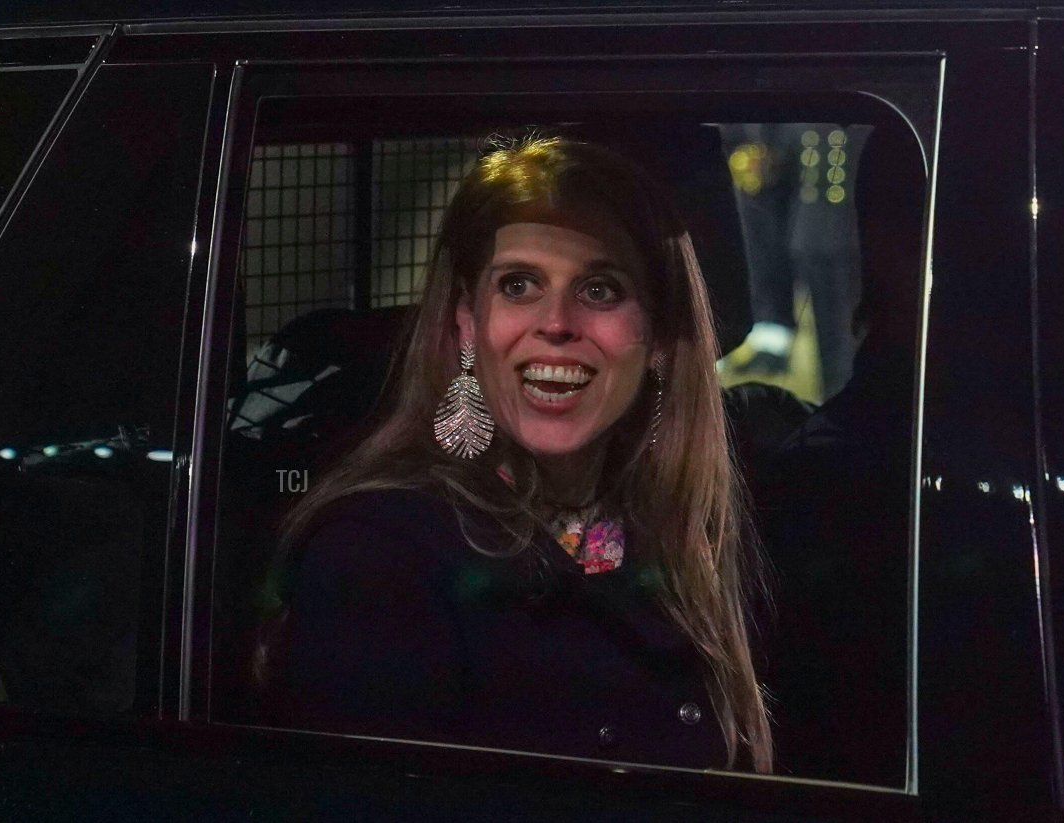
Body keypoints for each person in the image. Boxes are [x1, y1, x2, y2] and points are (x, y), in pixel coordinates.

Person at [266, 135, 774, 773]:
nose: (556, 323)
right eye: (518, 285)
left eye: (600, 290)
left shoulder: (673, 535)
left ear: (659, 342)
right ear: (467, 325)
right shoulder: (380, 556)